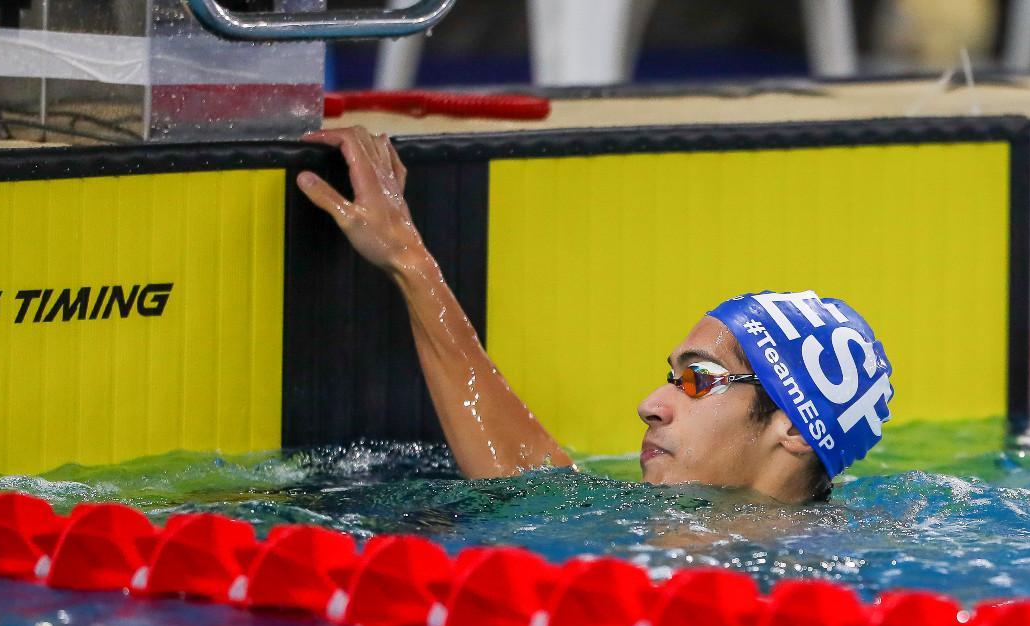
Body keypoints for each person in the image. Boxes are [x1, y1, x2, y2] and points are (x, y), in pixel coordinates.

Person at [296, 127, 893, 505]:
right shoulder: (651, 523)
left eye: (698, 379)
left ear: (791, 427)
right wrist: (408, 259)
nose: (651, 403)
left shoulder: (829, 585)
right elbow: (527, 482)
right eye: (671, 376)